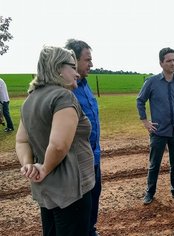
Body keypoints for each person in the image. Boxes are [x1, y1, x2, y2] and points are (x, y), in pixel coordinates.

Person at [15, 46, 95, 235]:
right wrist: (45, 168)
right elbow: (59, 145)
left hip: (46, 189)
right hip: (72, 191)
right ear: (58, 68)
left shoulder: (30, 99)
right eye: (72, 67)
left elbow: (21, 141)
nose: (76, 73)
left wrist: (29, 165)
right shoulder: (63, 97)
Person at [137, 47, 174, 205]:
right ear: (161, 63)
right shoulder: (152, 82)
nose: (172, 63)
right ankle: (150, 192)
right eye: (169, 60)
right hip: (158, 131)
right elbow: (140, 100)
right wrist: (145, 122)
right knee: (154, 164)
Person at [65, 39, 101, 236]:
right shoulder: (66, 89)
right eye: (87, 59)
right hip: (78, 162)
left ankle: (90, 229)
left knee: (94, 199)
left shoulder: (85, 85)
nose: (91, 64)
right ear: (73, 60)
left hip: (95, 155)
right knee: (80, 207)